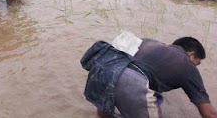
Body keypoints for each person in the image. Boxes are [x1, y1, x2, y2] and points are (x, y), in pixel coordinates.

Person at [81, 35, 217, 118]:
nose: (195, 66)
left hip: (102, 69)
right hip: (130, 79)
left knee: (104, 114)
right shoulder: (186, 64)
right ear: (191, 54)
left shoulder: (148, 42)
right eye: (196, 63)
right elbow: (209, 113)